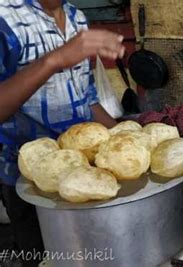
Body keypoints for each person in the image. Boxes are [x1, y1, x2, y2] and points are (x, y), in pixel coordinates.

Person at [0, 0, 124, 265]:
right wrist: (53, 60)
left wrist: (124, 136)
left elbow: (87, 99)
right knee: (48, 259)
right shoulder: (5, 17)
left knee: (94, 258)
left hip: (85, 175)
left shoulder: (76, 17)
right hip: (33, 186)